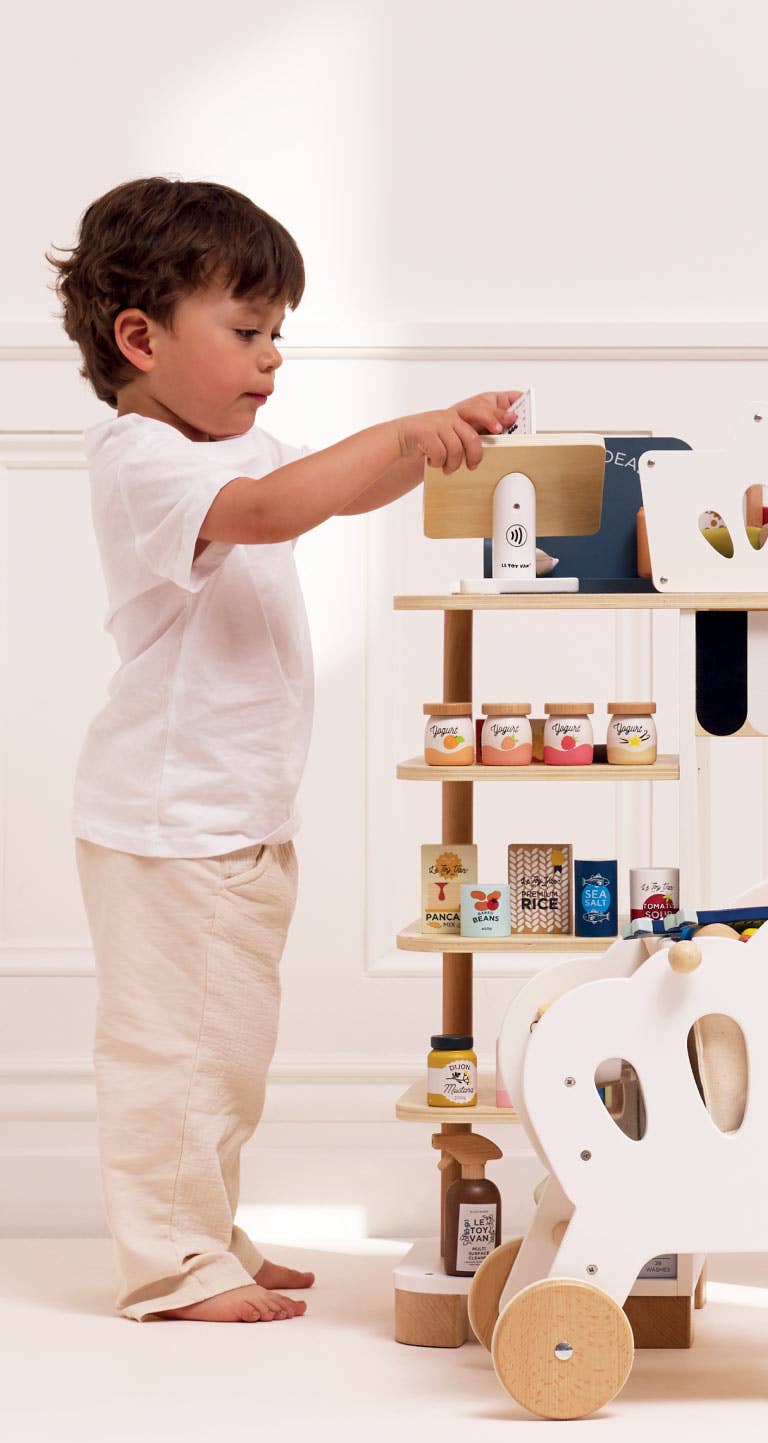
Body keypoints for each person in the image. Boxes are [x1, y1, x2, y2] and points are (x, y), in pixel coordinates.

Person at [49, 176, 518, 1322]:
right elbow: (274, 507)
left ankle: (206, 1229)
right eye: (247, 332)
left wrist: (437, 442)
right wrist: (402, 434)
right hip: (172, 826)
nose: (271, 361)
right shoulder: (144, 460)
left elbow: (331, 490)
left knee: (224, 1054)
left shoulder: (230, 449)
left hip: (233, 816)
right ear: (140, 339)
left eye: (279, 337)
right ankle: (171, 1264)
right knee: (176, 1057)